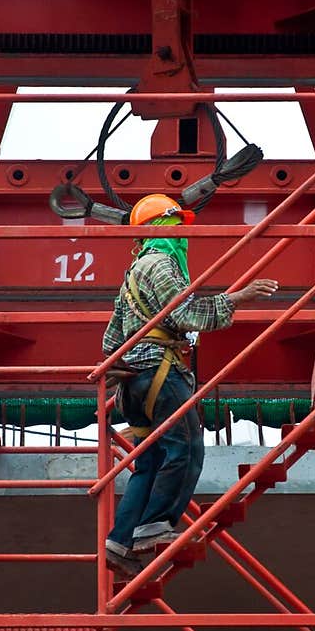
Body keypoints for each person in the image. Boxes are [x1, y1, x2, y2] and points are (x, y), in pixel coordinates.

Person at [101, 193, 278, 579]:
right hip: (160, 375)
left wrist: (118, 376)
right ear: (161, 226)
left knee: (149, 461)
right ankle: (154, 527)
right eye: (176, 224)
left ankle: (120, 540)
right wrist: (237, 298)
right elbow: (184, 313)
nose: (183, 233)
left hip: (136, 382)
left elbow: (112, 338)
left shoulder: (134, 272)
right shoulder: (161, 263)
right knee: (186, 449)